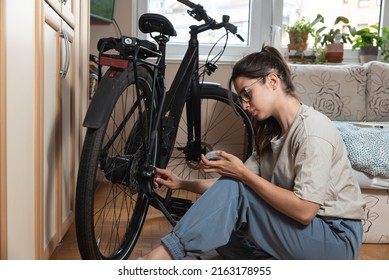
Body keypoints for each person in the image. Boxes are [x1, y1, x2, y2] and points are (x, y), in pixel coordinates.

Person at [141, 45, 366, 260]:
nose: (245, 105)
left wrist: (242, 174)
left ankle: (160, 258)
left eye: (247, 94)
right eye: (242, 98)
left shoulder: (313, 130)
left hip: (334, 238)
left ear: (272, 81)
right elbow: (229, 191)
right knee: (219, 225)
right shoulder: (271, 133)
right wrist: (182, 183)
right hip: (303, 232)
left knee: (222, 214)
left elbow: (305, 210)